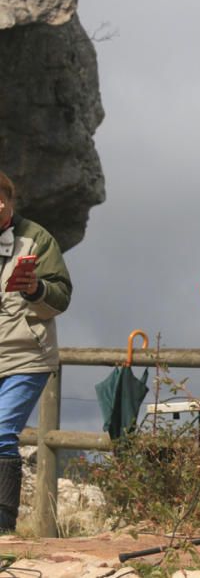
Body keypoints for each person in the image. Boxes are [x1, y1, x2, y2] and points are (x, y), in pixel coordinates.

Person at [0, 171, 72, 533]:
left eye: (4, 197)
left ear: (12, 201)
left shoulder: (36, 238)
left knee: (1, 431)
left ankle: (2, 526)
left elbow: (61, 297)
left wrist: (35, 288)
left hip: (26, 354)